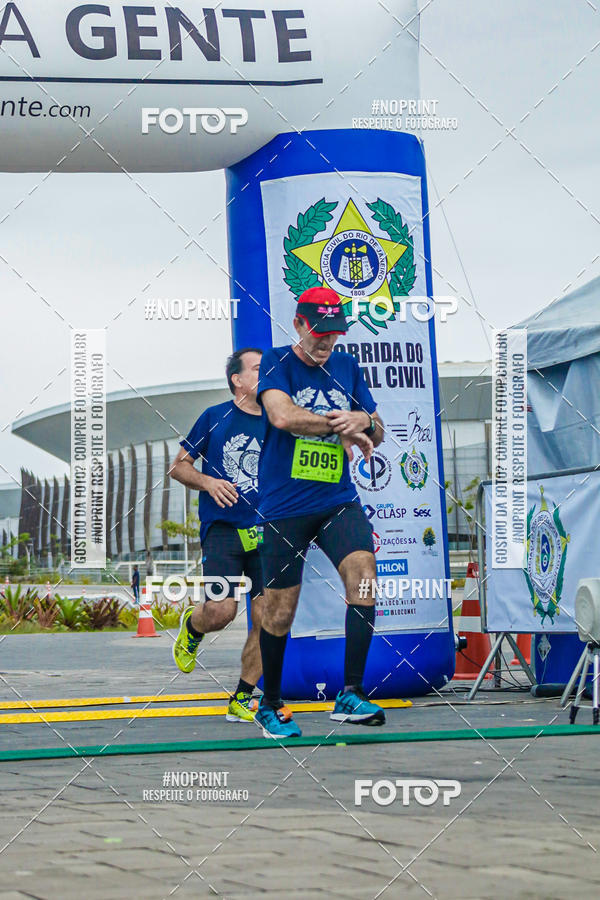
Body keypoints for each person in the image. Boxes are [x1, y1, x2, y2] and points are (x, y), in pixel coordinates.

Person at [254, 286, 385, 738]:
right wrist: (341, 422)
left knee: (365, 574)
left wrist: (365, 422)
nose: (327, 342)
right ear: (298, 325)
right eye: (319, 332)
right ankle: (269, 704)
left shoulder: (348, 367)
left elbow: (376, 426)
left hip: (337, 501)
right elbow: (283, 417)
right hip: (285, 508)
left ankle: (350, 693)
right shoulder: (275, 362)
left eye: (335, 333)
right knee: (279, 611)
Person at [170, 348, 266, 723]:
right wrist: (209, 482)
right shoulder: (215, 417)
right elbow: (178, 467)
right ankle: (193, 627)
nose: (267, 373)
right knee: (223, 611)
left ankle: (242, 697)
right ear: (237, 380)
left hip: (270, 531)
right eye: (258, 368)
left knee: (267, 617)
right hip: (224, 528)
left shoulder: (280, 420)